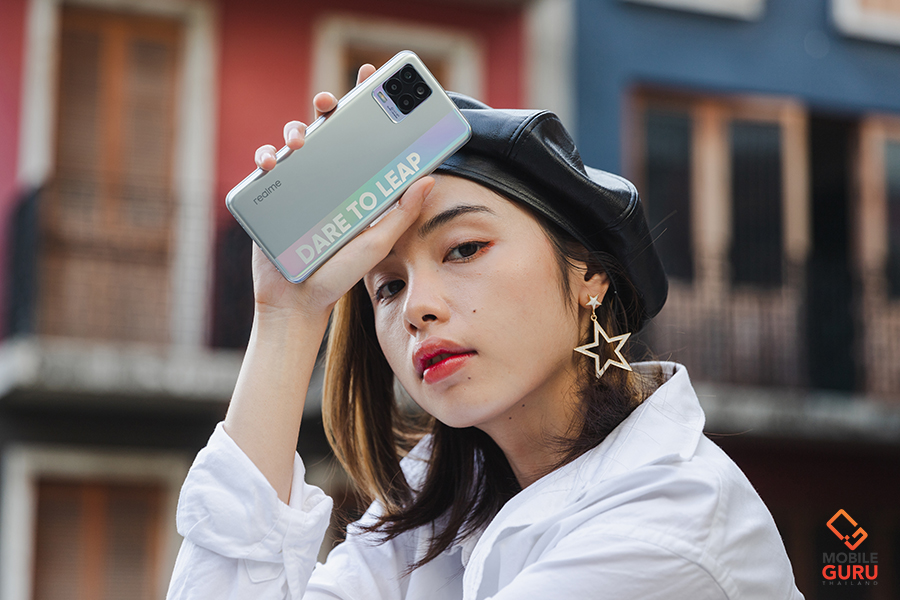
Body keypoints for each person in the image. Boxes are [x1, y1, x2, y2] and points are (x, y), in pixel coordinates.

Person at [167, 64, 804, 599]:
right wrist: (286, 316)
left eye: (465, 249)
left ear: (588, 273)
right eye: (387, 286)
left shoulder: (665, 527)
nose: (417, 308)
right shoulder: (434, 509)